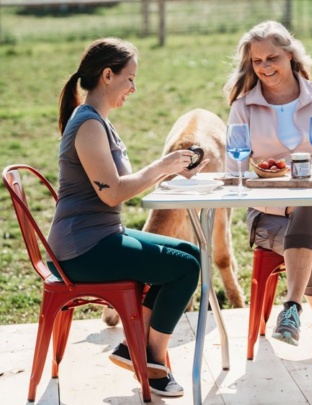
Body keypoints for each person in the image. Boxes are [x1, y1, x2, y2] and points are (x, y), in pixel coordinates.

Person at [48, 37, 207, 397]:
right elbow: (114, 192)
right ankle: (153, 360)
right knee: (185, 269)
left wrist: (171, 170)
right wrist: (162, 165)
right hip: (82, 250)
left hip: (101, 236)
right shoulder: (88, 125)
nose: (134, 88)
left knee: (190, 254)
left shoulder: (97, 121)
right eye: (130, 78)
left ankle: (135, 350)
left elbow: (118, 187)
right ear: (108, 75)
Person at [223, 21, 312, 361]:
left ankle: (293, 305)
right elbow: (234, 174)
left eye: (273, 58)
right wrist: (276, 194)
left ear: (290, 55)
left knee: (308, 201)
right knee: (304, 208)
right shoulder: (243, 107)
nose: (266, 67)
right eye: (257, 61)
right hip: (267, 215)